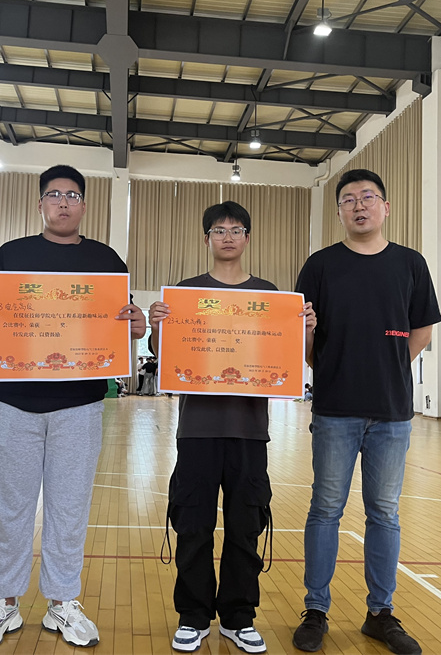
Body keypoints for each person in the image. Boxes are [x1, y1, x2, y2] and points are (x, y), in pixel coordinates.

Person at [0, 165, 146, 651]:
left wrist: (137, 325)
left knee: (70, 507)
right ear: (40, 203)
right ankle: (4, 601)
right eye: (55, 194)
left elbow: (123, 322)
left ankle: (62, 601)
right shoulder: (11, 255)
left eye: (73, 195)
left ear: (83, 205)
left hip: (80, 405)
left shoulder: (105, 259)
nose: (64, 202)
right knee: (10, 507)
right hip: (16, 402)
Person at [149, 201, 315, 653]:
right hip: (197, 430)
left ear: (247, 237)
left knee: (246, 526)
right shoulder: (186, 293)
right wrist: (158, 326)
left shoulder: (270, 295)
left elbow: (292, 356)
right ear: (206, 238)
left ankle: (239, 616)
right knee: (193, 524)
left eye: (236, 229)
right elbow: (165, 354)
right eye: (219, 230)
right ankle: (193, 614)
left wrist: (305, 328)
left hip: (249, 431)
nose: (227, 236)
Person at [292, 169, 441, 655]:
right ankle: (316, 609)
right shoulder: (320, 266)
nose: (359, 205)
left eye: (368, 197)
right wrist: (312, 342)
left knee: (385, 513)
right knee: (325, 510)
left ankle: (381, 613)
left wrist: (391, 367)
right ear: (338, 211)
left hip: (392, 414)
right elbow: (305, 344)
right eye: (349, 199)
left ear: (386, 207)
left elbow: (422, 330)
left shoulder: (411, 264)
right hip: (335, 409)